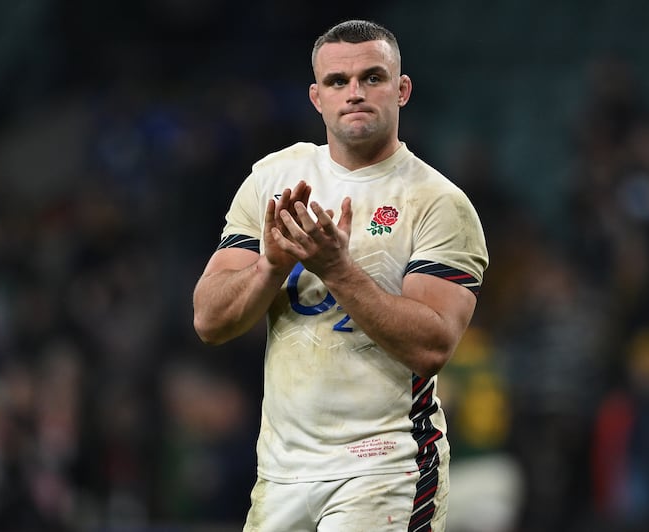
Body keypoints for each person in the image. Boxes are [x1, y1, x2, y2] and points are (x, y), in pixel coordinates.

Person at [192, 19, 488, 532]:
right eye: (337, 82)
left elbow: (432, 346)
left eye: (372, 77)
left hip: (384, 466)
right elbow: (209, 320)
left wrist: (337, 269)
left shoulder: (438, 203)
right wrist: (272, 265)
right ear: (316, 97)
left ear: (402, 89)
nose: (354, 93)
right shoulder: (273, 181)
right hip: (281, 474)